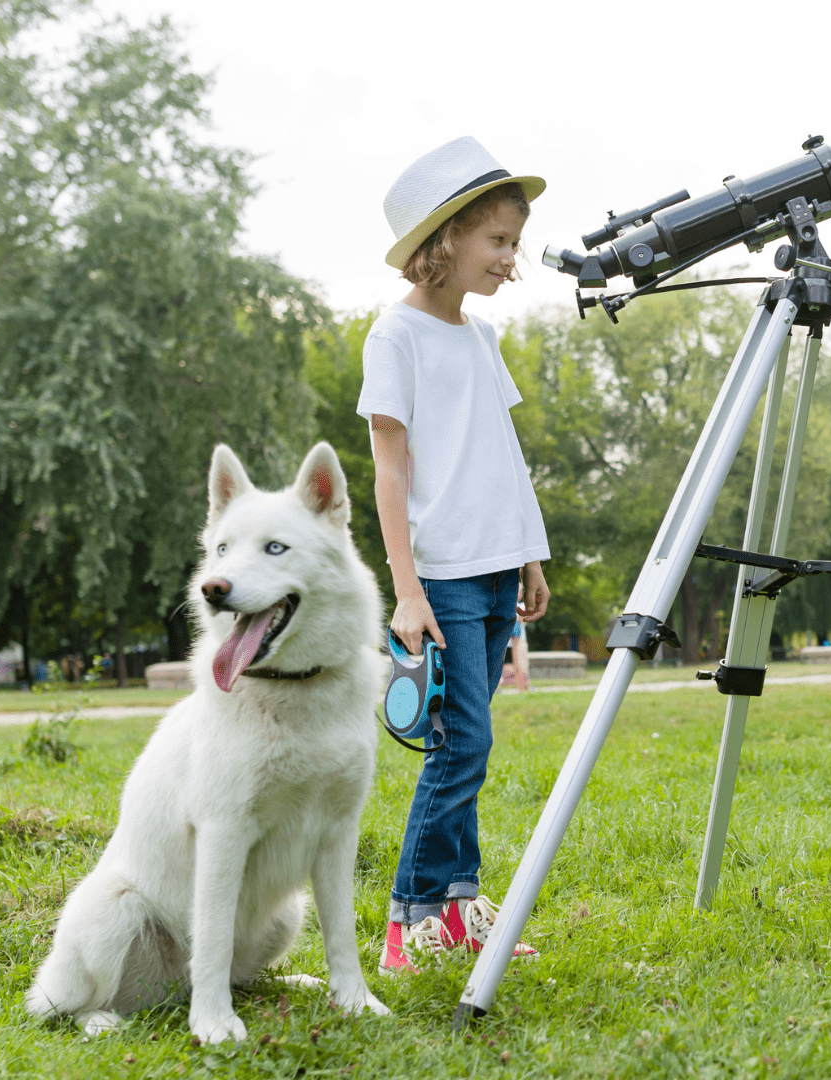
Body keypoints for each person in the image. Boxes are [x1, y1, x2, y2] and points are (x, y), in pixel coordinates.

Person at [355, 137, 551, 969]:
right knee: (459, 744)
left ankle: (458, 907)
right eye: (497, 241)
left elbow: (500, 456)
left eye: (513, 242)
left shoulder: (481, 340)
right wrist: (405, 592)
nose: (512, 260)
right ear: (445, 241)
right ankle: (411, 918)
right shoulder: (394, 337)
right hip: (438, 577)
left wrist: (530, 555)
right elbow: (389, 472)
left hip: (496, 566)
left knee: (470, 741)